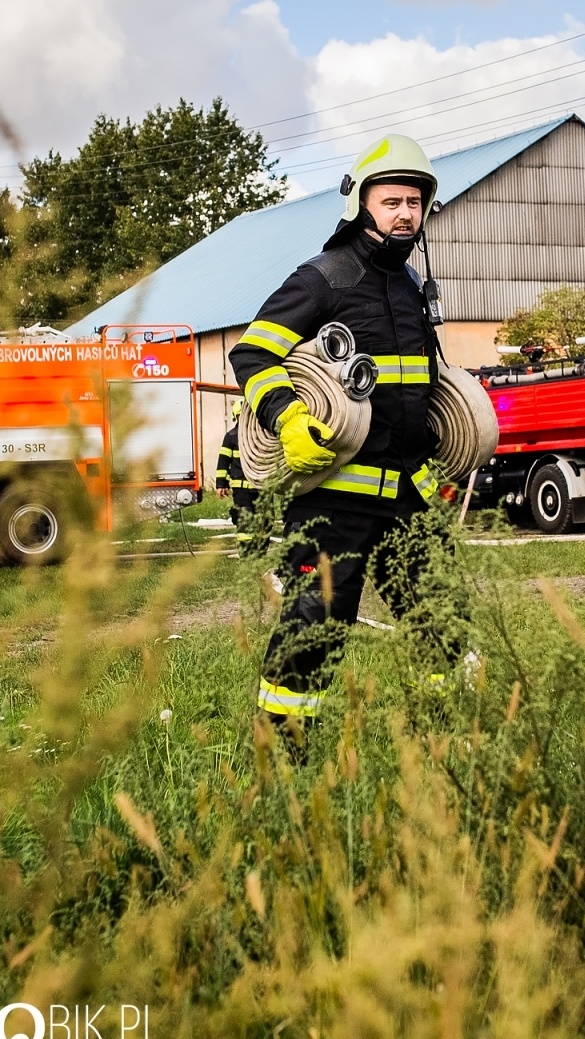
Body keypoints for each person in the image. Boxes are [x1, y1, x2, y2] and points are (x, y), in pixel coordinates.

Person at [227, 133, 448, 742]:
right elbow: (252, 353)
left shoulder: (411, 286)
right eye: (392, 201)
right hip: (335, 497)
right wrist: (287, 418)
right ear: (361, 205)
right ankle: (283, 744)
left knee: (438, 613)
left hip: (408, 494)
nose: (405, 214)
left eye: (414, 202)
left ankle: (444, 734)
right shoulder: (324, 278)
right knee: (318, 620)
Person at [215, 400, 265, 553]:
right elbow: (223, 461)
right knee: (246, 523)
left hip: (261, 488)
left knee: (263, 523)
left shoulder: (264, 436)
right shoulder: (232, 437)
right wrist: (221, 484)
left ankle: (258, 553)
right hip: (244, 490)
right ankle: (248, 554)